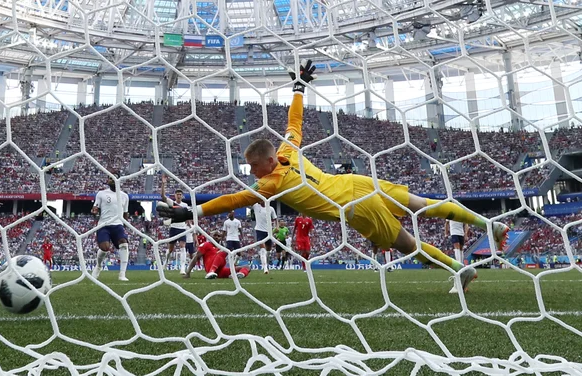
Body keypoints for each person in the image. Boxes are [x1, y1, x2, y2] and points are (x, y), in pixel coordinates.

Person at [158, 60, 509, 293]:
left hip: (354, 207)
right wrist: (298, 87)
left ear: (264, 163)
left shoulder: (271, 183)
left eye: (252, 167)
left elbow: (232, 200)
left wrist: (192, 211)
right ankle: (488, 225)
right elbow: (294, 123)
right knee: (424, 205)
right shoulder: (287, 150)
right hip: (357, 183)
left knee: (409, 245)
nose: (251, 173)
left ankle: (457, 268)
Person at [91, 174, 130, 282]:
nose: (111, 180)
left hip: (118, 225)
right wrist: (94, 211)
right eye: (109, 178)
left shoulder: (124, 196)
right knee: (105, 248)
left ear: (119, 180)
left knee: (124, 243)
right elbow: (95, 207)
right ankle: (98, 266)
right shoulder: (102, 194)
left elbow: (125, 213)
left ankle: (122, 274)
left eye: (113, 178)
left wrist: (125, 225)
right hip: (104, 225)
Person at [183, 231, 250, 280]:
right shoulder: (206, 245)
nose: (217, 237)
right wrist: (188, 272)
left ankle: (240, 275)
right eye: (215, 235)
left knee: (247, 267)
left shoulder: (221, 247)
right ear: (211, 236)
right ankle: (211, 272)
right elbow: (196, 257)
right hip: (210, 267)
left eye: (219, 236)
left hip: (220, 270)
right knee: (222, 252)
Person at [160, 175, 191, 274]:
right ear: (175, 195)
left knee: (182, 247)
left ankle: (182, 268)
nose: (178, 195)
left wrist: (188, 223)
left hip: (182, 229)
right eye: (177, 194)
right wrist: (163, 184)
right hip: (173, 228)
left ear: (182, 196)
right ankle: (165, 263)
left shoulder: (185, 205)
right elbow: (163, 196)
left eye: (180, 194)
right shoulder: (171, 202)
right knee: (171, 248)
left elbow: (187, 216)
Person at [251, 202, 277, 274]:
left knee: (268, 249)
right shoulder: (256, 206)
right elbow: (249, 201)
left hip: (268, 231)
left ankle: (266, 260)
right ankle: (265, 268)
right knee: (262, 249)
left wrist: (276, 226)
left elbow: (275, 218)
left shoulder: (271, 208)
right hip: (259, 231)